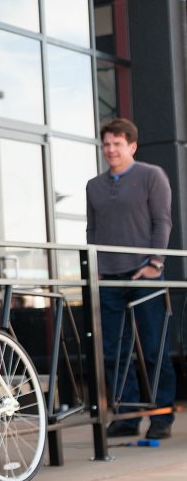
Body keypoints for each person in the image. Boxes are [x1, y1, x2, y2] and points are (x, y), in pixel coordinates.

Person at [86, 118, 175, 441]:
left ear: (132, 146)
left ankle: (161, 415)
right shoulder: (93, 186)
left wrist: (155, 263)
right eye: (106, 144)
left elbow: (162, 221)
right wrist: (94, 266)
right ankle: (127, 416)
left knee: (153, 347)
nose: (110, 150)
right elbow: (92, 230)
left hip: (144, 275)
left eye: (117, 144)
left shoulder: (151, 176)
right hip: (108, 277)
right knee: (114, 351)